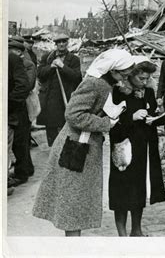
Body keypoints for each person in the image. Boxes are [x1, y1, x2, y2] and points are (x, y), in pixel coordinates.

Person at [32, 49, 135, 236]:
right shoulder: (95, 84)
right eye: (123, 74)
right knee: (72, 203)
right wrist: (106, 123)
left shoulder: (103, 84)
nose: (125, 77)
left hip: (82, 145)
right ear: (112, 70)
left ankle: (74, 243)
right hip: (75, 148)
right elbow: (73, 114)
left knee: (75, 202)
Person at [109, 57, 165, 237]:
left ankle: (136, 230)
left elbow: (159, 118)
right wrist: (131, 117)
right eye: (141, 78)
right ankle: (122, 234)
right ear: (130, 75)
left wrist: (154, 117)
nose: (144, 82)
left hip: (143, 147)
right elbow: (110, 122)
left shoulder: (148, 92)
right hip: (123, 147)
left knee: (139, 188)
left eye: (147, 78)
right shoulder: (117, 92)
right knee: (121, 191)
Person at [37, 33, 82, 146]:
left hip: (65, 98)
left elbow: (77, 77)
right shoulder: (47, 57)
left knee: (65, 126)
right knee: (51, 126)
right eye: (59, 42)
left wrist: (63, 66)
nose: (61, 44)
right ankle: (53, 151)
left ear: (67, 43)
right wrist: (51, 67)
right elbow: (40, 74)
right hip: (50, 98)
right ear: (55, 44)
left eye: (64, 41)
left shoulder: (74, 59)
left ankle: (65, 152)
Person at [9, 38, 36, 183]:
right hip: (17, 106)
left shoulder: (28, 65)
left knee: (20, 141)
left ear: (18, 51)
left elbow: (28, 85)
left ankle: (21, 174)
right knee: (21, 141)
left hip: (22, 107)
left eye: (11, 50)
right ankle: (27, 168)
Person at [7, 40, 30, 193]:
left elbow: (24, 86)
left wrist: (6, 104)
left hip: (12, 112)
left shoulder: (13, 60)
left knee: (18, 144)